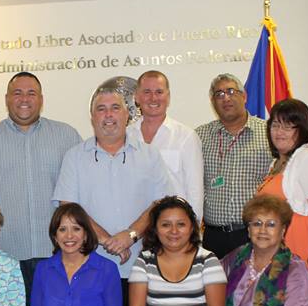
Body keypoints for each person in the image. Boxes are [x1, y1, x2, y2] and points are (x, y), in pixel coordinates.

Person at [0, 72, 81, 294]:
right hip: (3, 253)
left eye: (31, 93)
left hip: (56, 252)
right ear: (6, 99)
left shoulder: (67, 136)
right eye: (17, 93)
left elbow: (81, 193)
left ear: (41, 99)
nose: (24, 99)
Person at [53, 85, 171, 277]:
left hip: (143, 265)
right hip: (90, 265)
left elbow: (161, 203)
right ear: (93, 119)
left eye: (115, 108)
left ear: (127, 116)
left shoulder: (150, 155)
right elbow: (68, 207)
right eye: (101, 109)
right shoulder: (74, 157)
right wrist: (109, 241)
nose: (108, 114)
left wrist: (130, 235)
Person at [256, 98, 308, 284]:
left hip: (305, 252)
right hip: (282, 253)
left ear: (302, 130)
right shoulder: (277, 164)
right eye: (275, 125)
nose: (279, 132)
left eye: (288, 126)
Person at [195, 73, 273, 259]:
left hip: (254, 234)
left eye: (231, 91)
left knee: (255, 288)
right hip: (214, 237)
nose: (226, 98)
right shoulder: (200, 136)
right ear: (212, 102)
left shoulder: (268, 133)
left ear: (244, 96)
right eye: (219, 94)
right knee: (216, 288)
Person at [129, 70, 204, 222]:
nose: (153, 98)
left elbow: (195, 191)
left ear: (168, 97)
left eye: (159, 92)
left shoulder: (186, 136)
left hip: (173, 229)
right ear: (136, 97)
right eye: (147, 92)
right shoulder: (126, 137)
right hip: (134, 229)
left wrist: (192, 230)